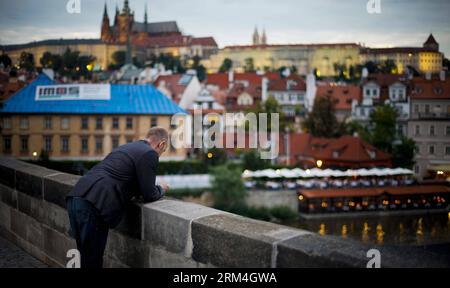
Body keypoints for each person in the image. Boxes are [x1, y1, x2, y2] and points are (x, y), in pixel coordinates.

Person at [66, 127, 170, 268]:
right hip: (94, 204)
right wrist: (161, 189)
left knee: (85, 258)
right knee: (92, 261)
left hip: (76, 197)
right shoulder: (149, 153)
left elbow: (123, 177)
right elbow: (149, 194)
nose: (159, 155)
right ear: (161, 144)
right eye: (162, 152)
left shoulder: (127, 147)